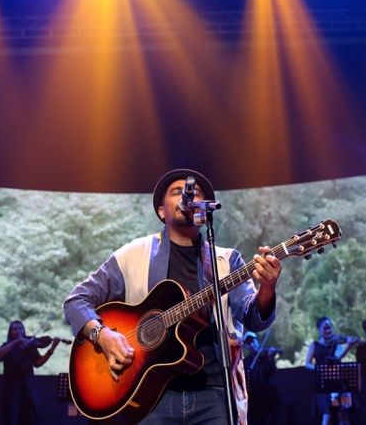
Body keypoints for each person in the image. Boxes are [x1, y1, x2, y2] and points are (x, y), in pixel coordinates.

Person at [63, 168, 282, 424]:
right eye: (177, 192)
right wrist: (102, 335)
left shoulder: (226, 260)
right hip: (150, 397)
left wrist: (267, 288)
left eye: (194, 193)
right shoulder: (133, 255)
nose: (187, 196)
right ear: (161, 211)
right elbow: (76, 301)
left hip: (214, 394)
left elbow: (253, 316)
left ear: (204, 209)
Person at [0, 320, 61, 425]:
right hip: (11, 387)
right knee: (11, 416)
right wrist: (15, 342)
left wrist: (52, 348)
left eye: (20, 328)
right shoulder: (7, 345)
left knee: (29, 416)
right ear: (10, 332)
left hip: (27, 386)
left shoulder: (30, 346)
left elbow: (38, 363)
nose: (18, 331)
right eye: (15, 329)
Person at [306, 316, 358, 424]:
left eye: (330, 328)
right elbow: (307, 364)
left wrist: (349, 346)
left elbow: (338, 357)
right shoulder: (314, 345)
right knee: (327, 414)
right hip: (323, 384)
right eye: (325, 328)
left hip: (337, 382)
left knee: (342, 413)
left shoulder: (336, 343)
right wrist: (319, 369)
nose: (328, 330)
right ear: (319, 329)